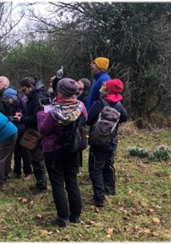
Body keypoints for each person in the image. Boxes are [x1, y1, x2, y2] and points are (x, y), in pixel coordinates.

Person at [37, 78, 87, 227]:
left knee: (57, 183)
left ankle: (63, 218)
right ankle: (76, 216)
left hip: (54, 150)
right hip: (73, 148)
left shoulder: (53, 111)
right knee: (72, 180)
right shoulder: (81, 106)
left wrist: (41, 115)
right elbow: (86, 119)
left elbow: (43, 130)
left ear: (60, 91)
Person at [86, 79, 129, 207]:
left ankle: (99, 198)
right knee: (108, 164)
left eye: (103, 87)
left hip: (98, 141)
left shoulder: (100, 103)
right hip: (112, 140)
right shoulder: (119, 105)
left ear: (107, 91)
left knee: (95, 168)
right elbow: (125, 117)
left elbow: (88, 119)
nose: (100, 89)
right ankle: (110, 189)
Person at [14, 77, 49, 194]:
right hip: (37, 130)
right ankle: (41, 182)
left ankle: (42, 185)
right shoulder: (38, 96)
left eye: (24, 90)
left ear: (31, 86)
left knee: (37, 158)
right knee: (36, 158)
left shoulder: (36, 98)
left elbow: (36, 117)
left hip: (37, 132)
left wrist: (22, 119)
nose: (24, 93)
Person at [2, 88, 33, 179]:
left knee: (25, 151)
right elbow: (8, 114)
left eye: (7, 99)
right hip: (14, 129)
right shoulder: (10, 105)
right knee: (16, 151)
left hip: (23, 129)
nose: (7, 101)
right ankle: (17, 171)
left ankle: (28, 172)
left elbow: (27, 114)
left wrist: (20, 117)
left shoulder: (23, 102)